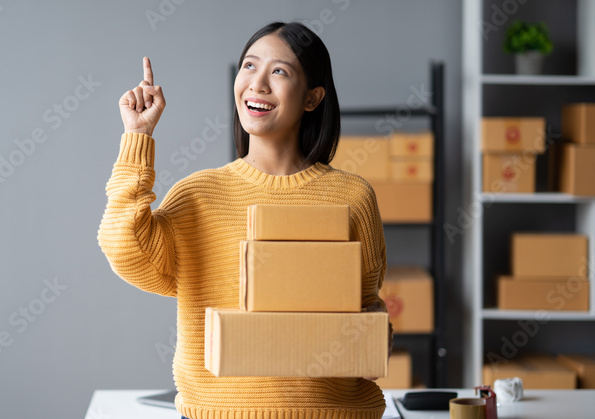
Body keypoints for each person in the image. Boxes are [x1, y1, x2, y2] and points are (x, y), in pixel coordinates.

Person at [97, 21, 392, 419]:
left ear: (312, 97)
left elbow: (366, 311)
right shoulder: (198, 195)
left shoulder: (352, 197)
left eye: (280, 71)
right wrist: (138, 137)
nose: (258, 83)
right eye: (250, 66)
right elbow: (124, 249)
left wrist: (374, 334)